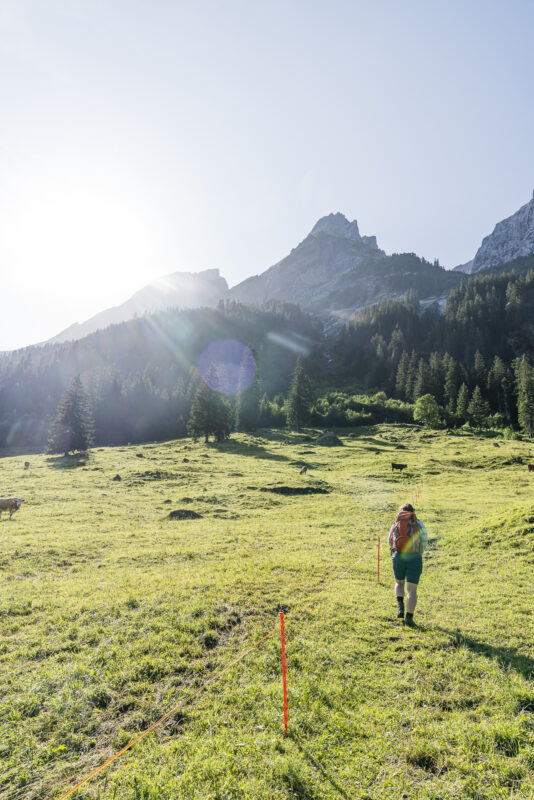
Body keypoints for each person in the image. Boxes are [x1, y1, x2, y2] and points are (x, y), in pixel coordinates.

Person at [388, 503, 428, 627]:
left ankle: (400, 608)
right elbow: (425, 540)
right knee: (412, 590)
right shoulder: (418, 524)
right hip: (414, 557)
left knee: (399, 583)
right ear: (413, 512)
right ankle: (409, 618)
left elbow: (390, 540)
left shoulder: (395, 523)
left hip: (398, 556)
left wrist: (395, 552)